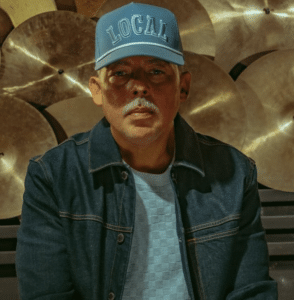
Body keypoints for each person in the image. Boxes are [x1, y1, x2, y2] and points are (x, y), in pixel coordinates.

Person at [16, 2, 278, 299]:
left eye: (156, 71)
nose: (139, 86)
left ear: (183, 87)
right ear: (96, 90)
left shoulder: (234, 172)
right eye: (120, 73)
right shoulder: (53, 176)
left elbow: (251, 291)